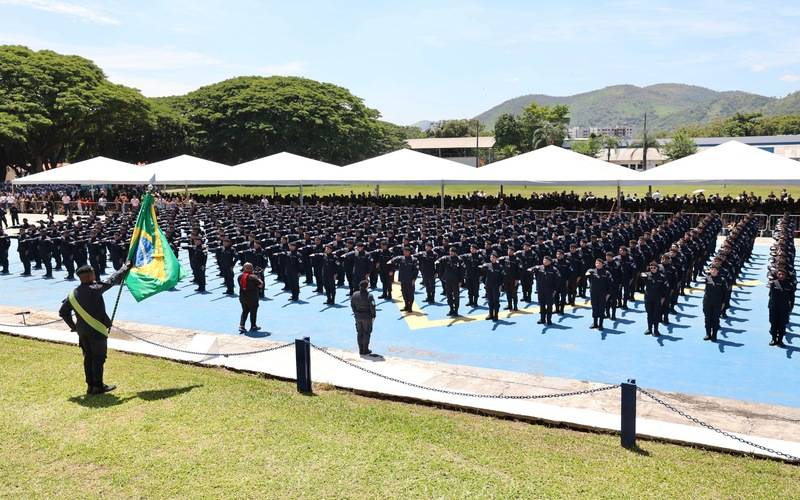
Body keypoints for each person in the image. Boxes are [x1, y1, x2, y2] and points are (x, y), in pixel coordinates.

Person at [58, 262, 130, 395]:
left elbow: (63, 312)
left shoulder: (73, 294)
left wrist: (74, 327)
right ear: (91, 275)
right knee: (98, 358)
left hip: (82, 332)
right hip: (97, 331)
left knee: (88, 358)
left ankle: (90, 385)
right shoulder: (95, 287)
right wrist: (125, 268)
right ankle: (98, 386)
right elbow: (112, 280)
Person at [350, 280, 377, 356]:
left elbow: (352, 305)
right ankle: (365, 349)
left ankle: (360, 349)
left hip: (358, 317)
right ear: (366, 287)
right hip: (367, 317)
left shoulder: (354, 294)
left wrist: (356, 312)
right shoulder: (370, 296)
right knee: (366, 333)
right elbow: (372, 307)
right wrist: (374, 316)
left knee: (359, 333)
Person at [585, 258, 613, 330]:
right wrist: (588, 273)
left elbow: (610, 284)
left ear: (602, 264)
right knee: (594, 308)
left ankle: (601, 324)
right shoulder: (592, 271)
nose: (597, 264)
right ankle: (595, 323)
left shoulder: (606, 273)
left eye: (599, 263)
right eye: (596, 263)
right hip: (594, 294)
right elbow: (586, 274)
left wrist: (608, 294)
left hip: (602, 294)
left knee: (601, 309)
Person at [641, 262, 668, 337]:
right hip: (648, 298)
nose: (652, 269)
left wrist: (663, 298)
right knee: (649, 314)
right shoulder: (646, 275)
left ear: (657, 268)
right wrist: (646, 270)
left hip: (657, 298)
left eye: (654, 268)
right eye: (651, 267)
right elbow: (641, 275)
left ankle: (656, 330)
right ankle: (649, 329)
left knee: (656, 315)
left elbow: (665, 288)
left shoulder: (662, 277)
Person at [531, 255, 560, 325]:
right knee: (542, 305)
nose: (544, 261)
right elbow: (531, 271)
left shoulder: (554, 269)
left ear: (550, 262)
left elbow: (558, 280)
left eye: (546, 260)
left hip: (549, 290)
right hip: (541, 290)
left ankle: (549, 319)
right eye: (544, 260)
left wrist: (555, 290)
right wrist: (532, 269)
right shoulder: (539, 268)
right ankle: (542, 319)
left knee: (549, 305)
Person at [238, 262, 264, 333]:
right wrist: (259, 277)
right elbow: (261, 285)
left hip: (242, 297)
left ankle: (242, 326)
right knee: (253, 312)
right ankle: (253, 326)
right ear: (251, 269)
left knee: (245, 311)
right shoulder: (253, 277)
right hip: (252, 298)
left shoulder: (240, 276)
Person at [768, 269, 792, 347]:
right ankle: (774, 338)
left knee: (782, 324)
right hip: (774, 307)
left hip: (784, 308)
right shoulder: (773, 283)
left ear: (785, 276)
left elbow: (792, 298)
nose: (781, 275)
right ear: (777, 275)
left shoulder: (789, 285)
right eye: (779, 274)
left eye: (783, 274)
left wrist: (790, 308)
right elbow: (770, 295)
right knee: (773, 323)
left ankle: (780, 340)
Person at [702, 265, 725, 342]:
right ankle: (708, 334)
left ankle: (714, 335)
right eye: (712, 269)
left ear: (718, 271)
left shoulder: (722, 280)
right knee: (707, 318)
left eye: (715, 270)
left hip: (717, 302)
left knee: (715, 319)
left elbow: (725, 293)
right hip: (707, 302)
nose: (713, 271)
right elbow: (705, 273)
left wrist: (724, 303)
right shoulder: (707, 278)